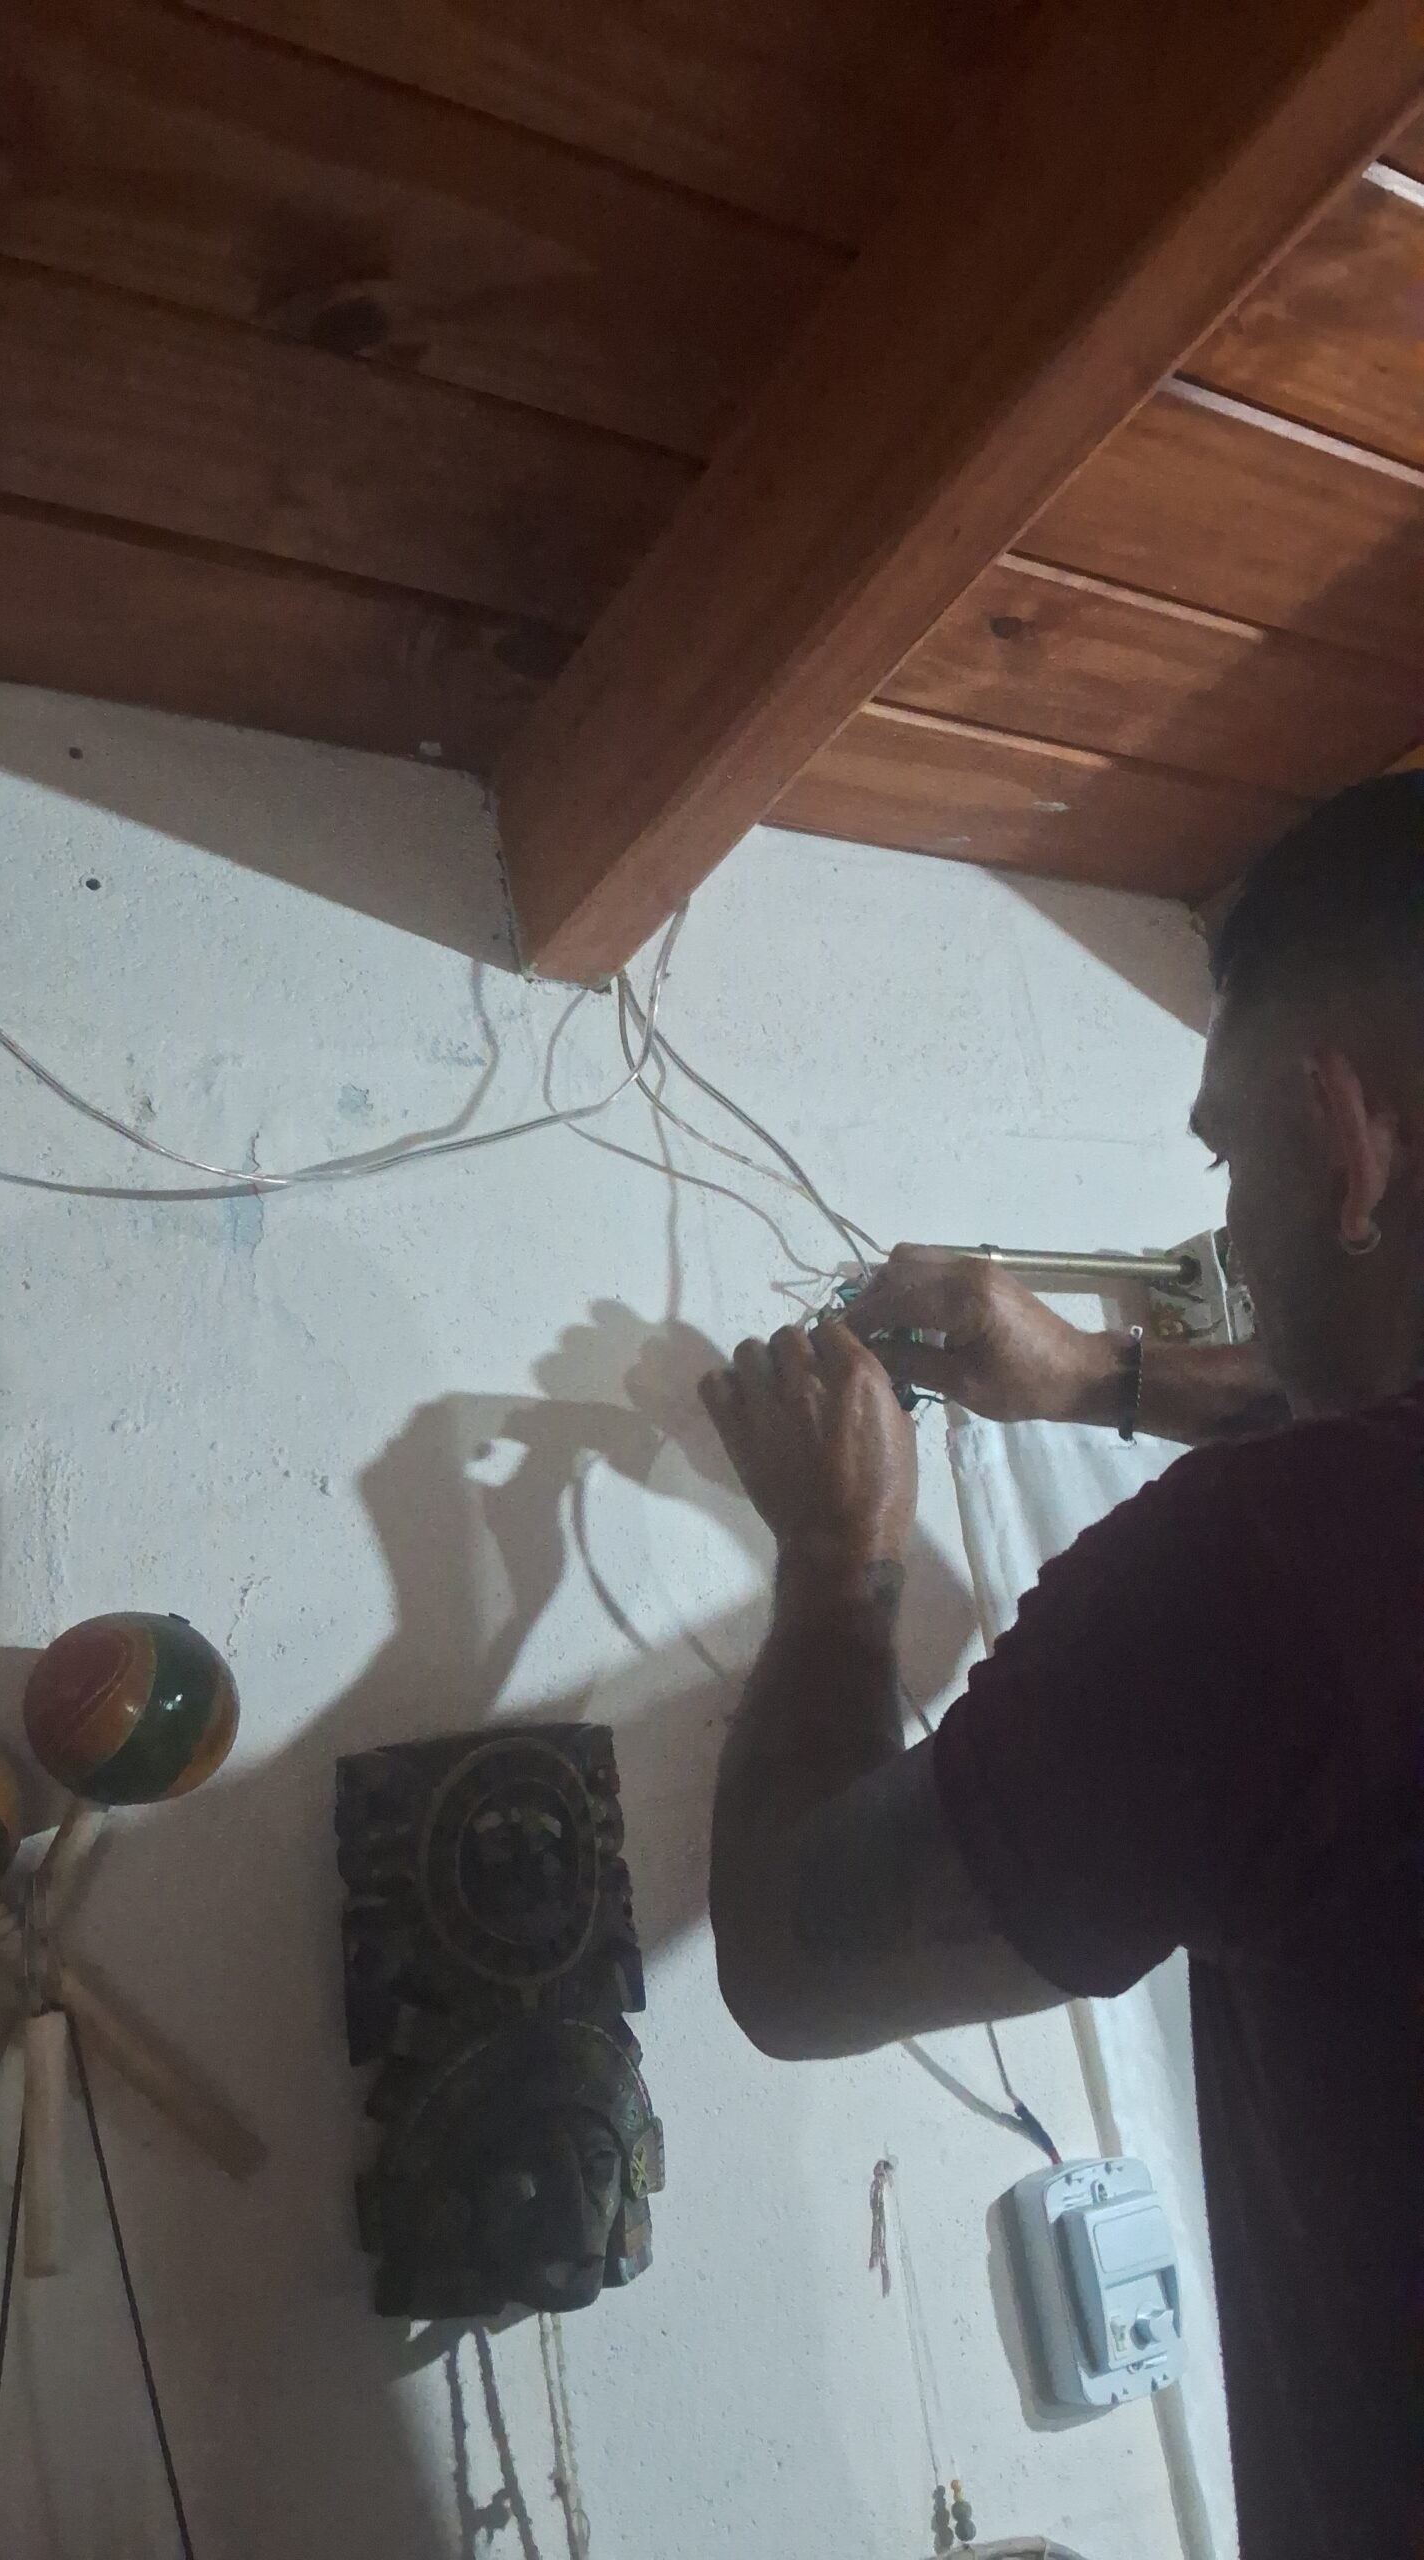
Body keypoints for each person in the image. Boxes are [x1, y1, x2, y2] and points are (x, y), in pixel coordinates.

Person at [698, 775, 1421, 2560]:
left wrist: (837, 1558)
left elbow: (791, 1956)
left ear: (1339, 1135)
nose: (1228, 1231)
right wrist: (1097, 1377)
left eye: (1223, 1157)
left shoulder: (1268, 1571)